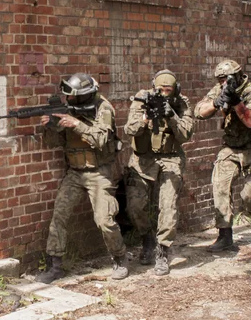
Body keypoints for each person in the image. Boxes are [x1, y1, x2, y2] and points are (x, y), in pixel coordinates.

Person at [36, 73, 128, 283]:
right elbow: (53, 143)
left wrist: (75, 124)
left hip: (99, 172)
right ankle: (55, 266)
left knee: (104, 220)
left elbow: (102, 140)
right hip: (75, 172)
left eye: (73, 97)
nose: (68, 101)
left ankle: (120, 258)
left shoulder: (103, 108)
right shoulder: (67, 109)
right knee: (59, 215)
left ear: (84, 96)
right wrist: (50, 126)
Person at [194, 60, 251, 252]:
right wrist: (215, 102)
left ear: (238, 76)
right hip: (231, 147)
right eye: (220, 79)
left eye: (226, 79)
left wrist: (236, 102)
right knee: (220, 185)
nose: (223, 83)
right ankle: (225, 236)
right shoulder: (220, 89)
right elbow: (198, 112)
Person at [123, 70, 194, 275]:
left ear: (175, 90)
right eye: (160, 90)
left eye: (168, 90)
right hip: (143, 158)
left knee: (168, 206)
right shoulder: (142, 99)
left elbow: (185, 134)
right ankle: (147, 239)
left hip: (171, 157)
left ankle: (162, 251)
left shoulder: (181, 104)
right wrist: (145, 118)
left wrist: (170, 115)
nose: (163, 94)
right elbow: (130, 129)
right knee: (134, 206)